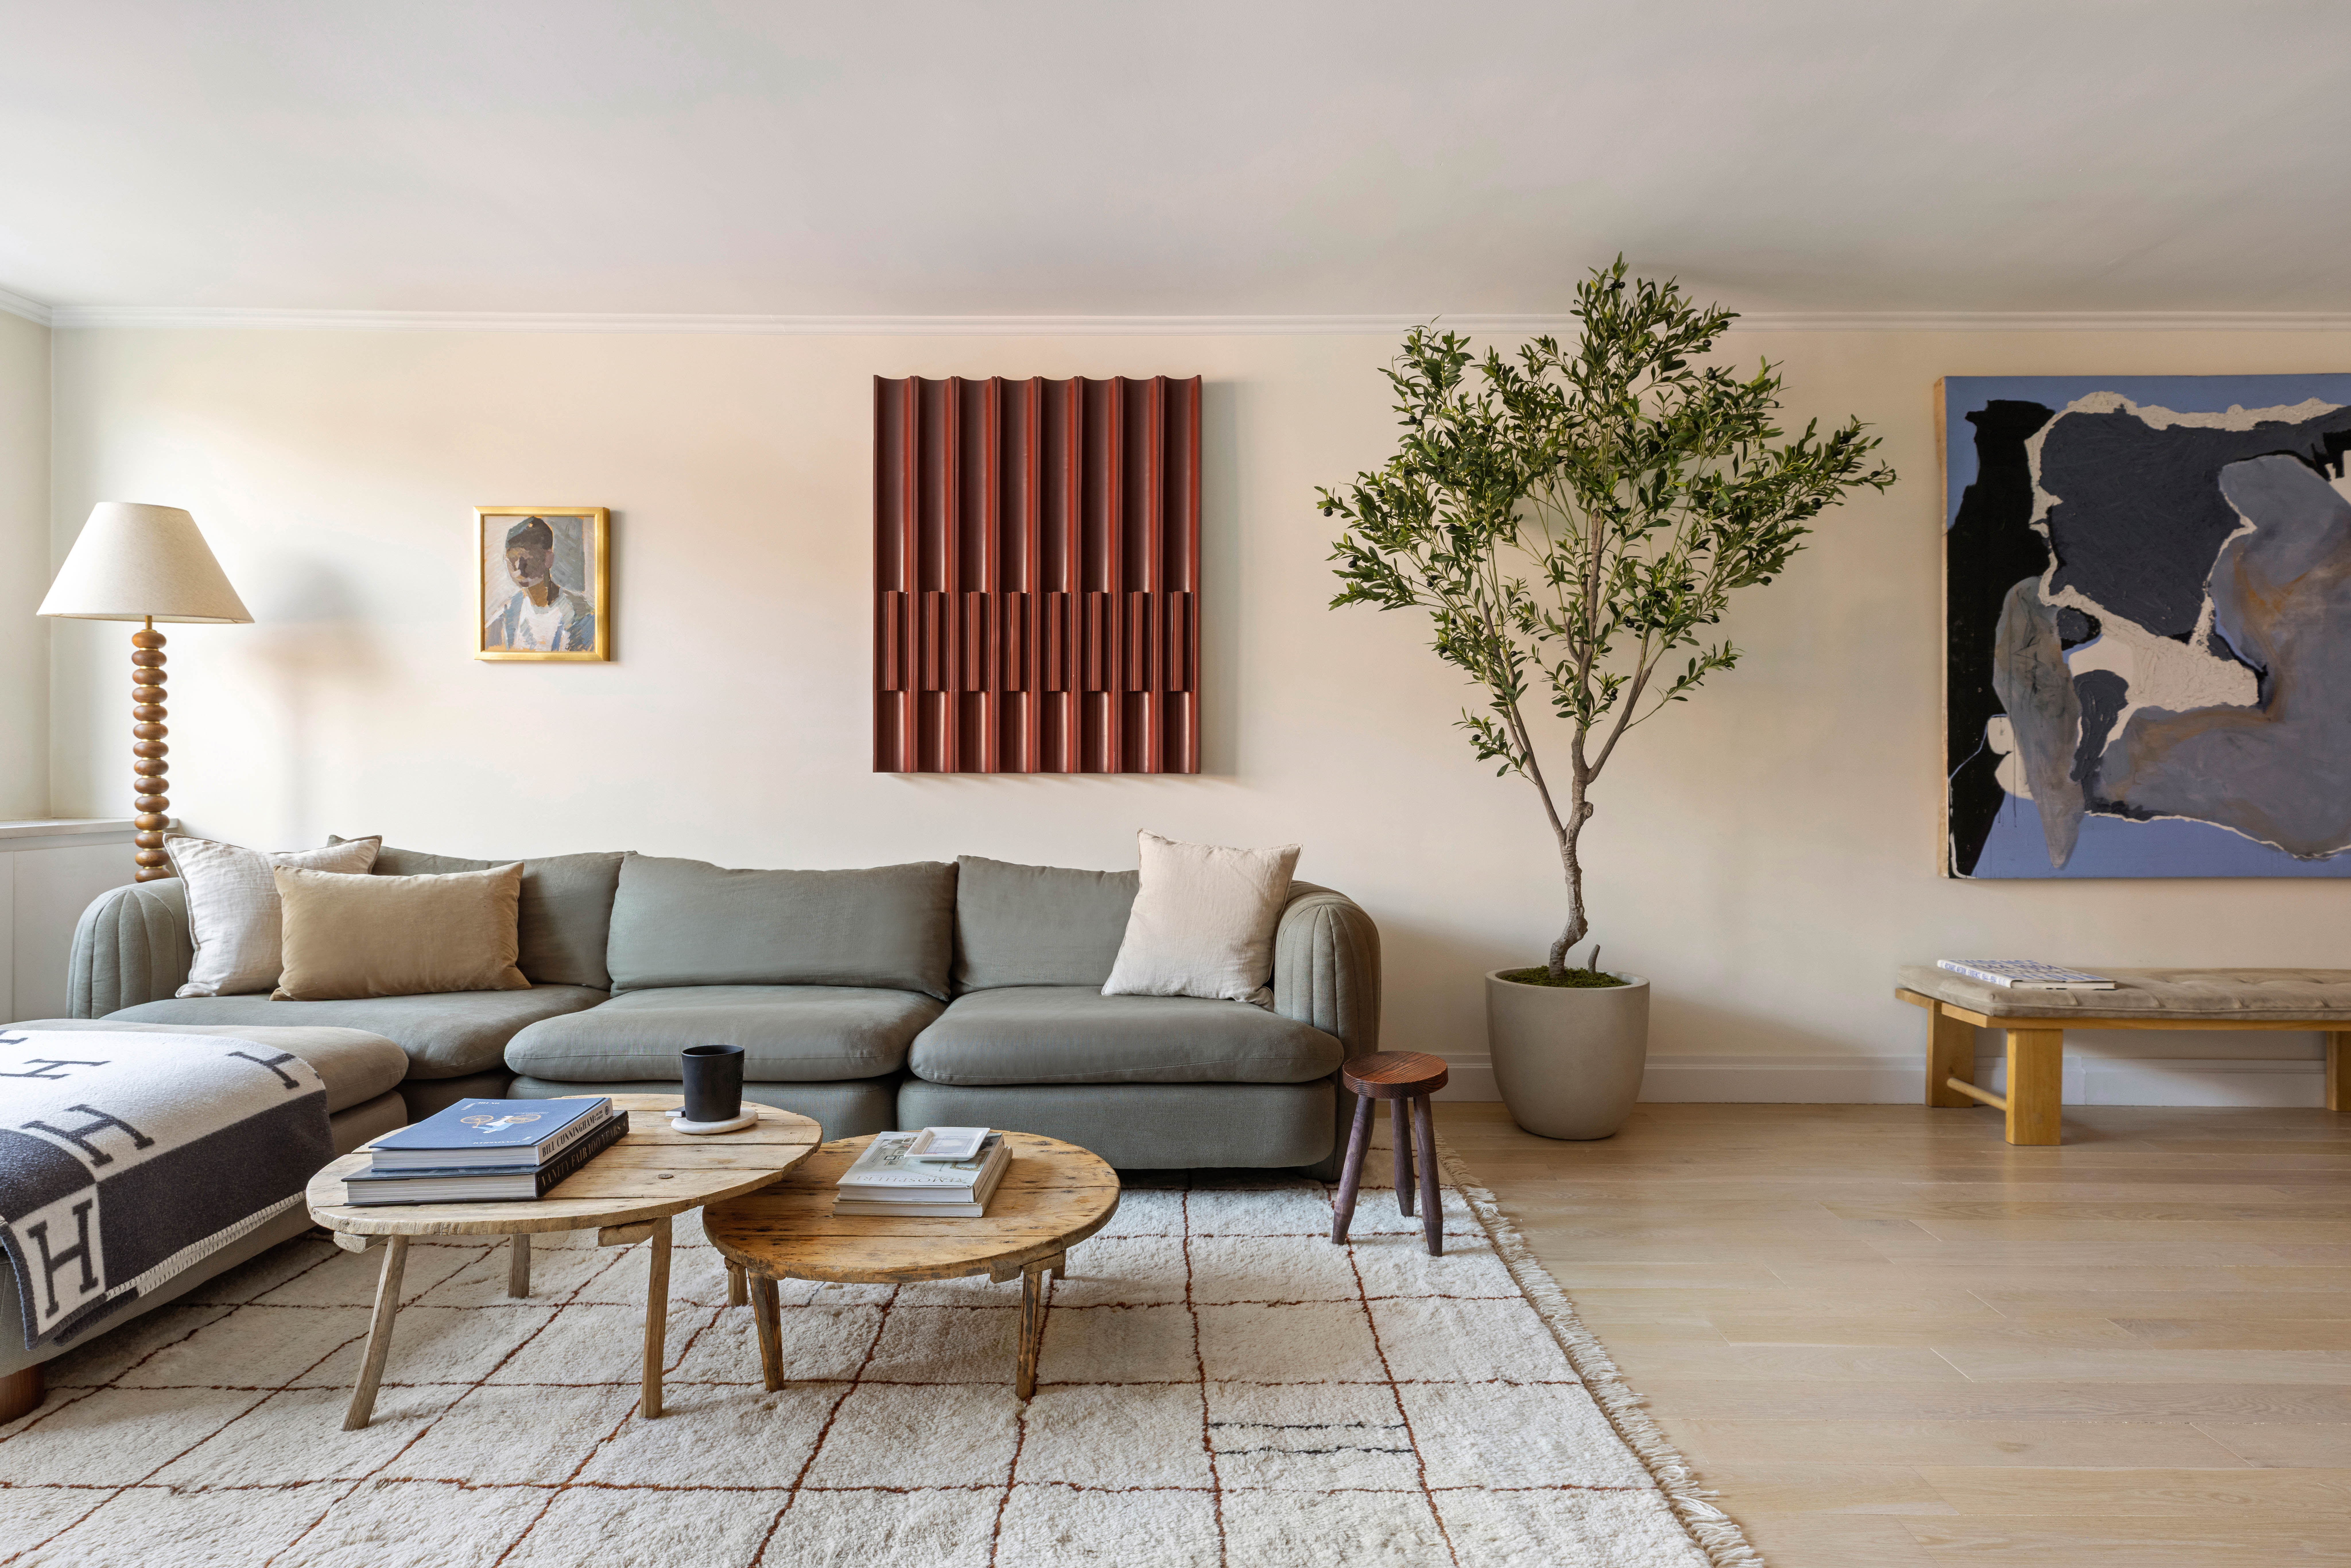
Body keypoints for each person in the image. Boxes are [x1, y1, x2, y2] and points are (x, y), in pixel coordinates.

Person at [484, 516, 595, 652]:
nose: (519, 567)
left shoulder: (583, 614)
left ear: (548, 558)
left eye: (528, 558)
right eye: (513, 559)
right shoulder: (507, 614)